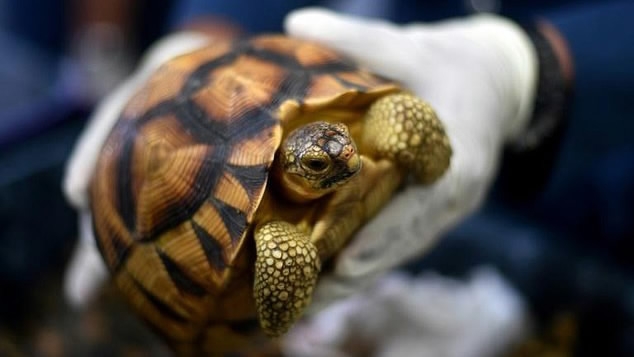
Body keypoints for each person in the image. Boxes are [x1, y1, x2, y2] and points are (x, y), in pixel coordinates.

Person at [61, 1, 634, 355]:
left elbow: (386, 123)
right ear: (292, 170)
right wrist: (212, 36)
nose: (343, 158)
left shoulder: (345, 141)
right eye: (317, 165)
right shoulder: (280, 241)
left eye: (340, 147)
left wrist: (527, 71)